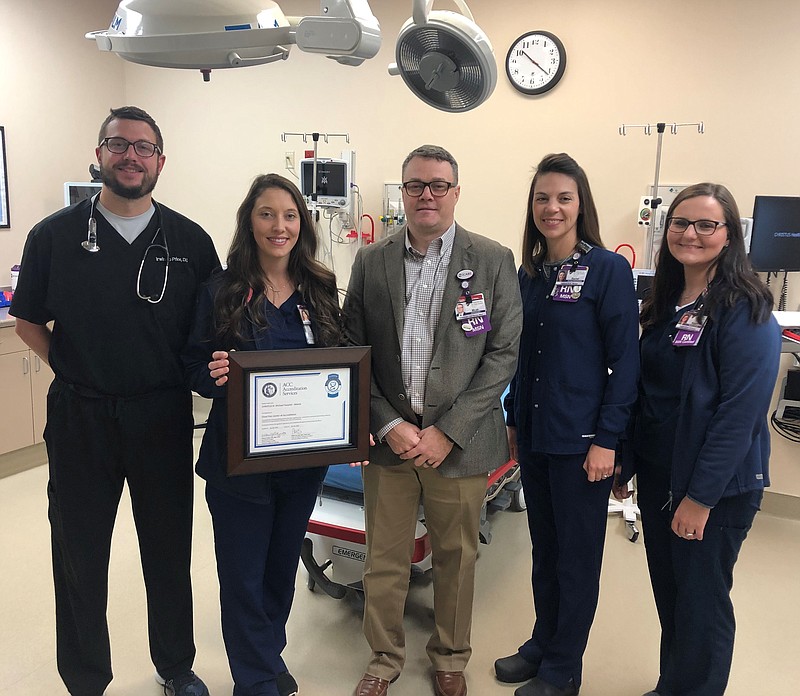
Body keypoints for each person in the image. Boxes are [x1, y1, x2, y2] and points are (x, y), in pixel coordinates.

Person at [9, 106, 219, 696]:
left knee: (168, 546)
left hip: (162, 416)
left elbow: (210, 332)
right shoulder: (54, 234)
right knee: (78, 552)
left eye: (144, 147)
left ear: (161, 161)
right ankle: (84, 679)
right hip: (81, 416)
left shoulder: (190, 241)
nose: (132, 156)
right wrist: (75, 370)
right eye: (119, 145)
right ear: (98, 154)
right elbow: (26, 320)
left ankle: (176, 665)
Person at [343, 144, 523, 696]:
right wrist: (387, 423)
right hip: (391, 442)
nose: (427, 195)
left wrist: (447, 431)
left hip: (460, 445)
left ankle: (449, 655)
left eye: (438, 185)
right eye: (415, 185)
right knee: (385, 559)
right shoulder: (372, 261)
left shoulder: (492, 259)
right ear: (403, 193)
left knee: (457, 558)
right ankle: (383, 658)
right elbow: (354, 348)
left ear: (456, 192)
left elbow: (503, 353)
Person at [182, 173, 346, 696]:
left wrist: (351, 428)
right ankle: (253, 679)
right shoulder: (222, 290)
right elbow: (191, 366)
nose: (280, 226)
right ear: (248, 223)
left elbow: (341, 364)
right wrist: (213, 373)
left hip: (302, 463)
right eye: (267, 214)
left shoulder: (319, 288)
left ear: (303, 223)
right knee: (243, 577)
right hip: (239, 466)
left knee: (280, 570)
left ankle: (267, 656)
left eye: (290, 215)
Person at [615, 183, 781, 696]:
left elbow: (739, 416)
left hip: (716, 488)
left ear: (730, 235)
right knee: (673, 596)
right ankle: (675, 686)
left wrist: (700, 498)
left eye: (706, 224)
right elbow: (650, 393)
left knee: (703, 604)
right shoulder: (667, 301)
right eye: (681, 223)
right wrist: (628, 464)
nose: (691, 234)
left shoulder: (746, 311)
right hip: (665, 475)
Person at [494, 153, 640, 696]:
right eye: (541, 198)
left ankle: (563, 669)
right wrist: (511, 422)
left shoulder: (606, 270)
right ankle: (541, 643)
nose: (551, 208)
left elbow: (627, 363)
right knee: (544, 551)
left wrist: (608, 439)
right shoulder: (528, 274)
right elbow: (518, 355)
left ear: (581, 205)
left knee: (577, 560)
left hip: (583, 446)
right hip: (535, 437)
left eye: (563, 198)